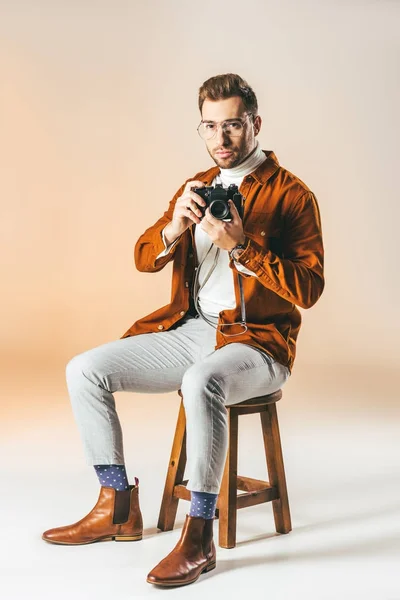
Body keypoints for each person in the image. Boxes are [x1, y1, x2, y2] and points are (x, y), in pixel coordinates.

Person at [42, 73, 324, 587]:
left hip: (258, 342)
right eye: (210, 126)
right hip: (194, 329)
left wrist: (242, 246)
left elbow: (308, 289)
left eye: (233, 125)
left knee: (201, 382)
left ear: (255, 125)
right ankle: (118, 506)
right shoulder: (196, 185)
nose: (222, 138)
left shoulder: (292, 195)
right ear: (201, 129)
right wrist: (175, 226)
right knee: (84, 369)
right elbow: (143, 258)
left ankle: (198, 535)